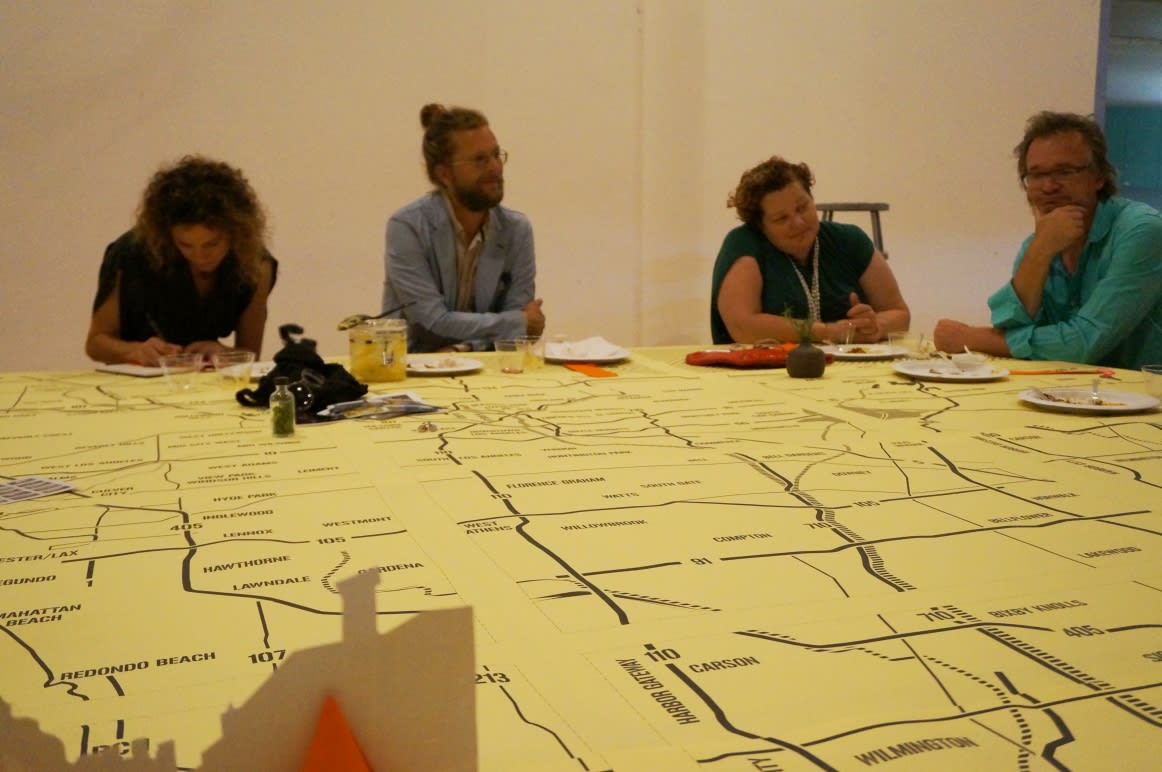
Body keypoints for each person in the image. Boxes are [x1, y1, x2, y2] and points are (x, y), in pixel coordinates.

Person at [934, 111, 1162, 369]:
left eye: (1064, 172)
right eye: (1036, 175)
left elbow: (1083, 344)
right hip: (1074, 394)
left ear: (1099, 177)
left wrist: (973, 338)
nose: (1048, 187)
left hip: (1147, 397)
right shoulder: (1042, 241)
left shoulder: (1142, 231)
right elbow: (1011, 328)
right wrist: (1040, 250)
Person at [86, 156, 278, 366]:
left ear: (236, 232)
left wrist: (223, 352)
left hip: (204, 384)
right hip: (137, 382)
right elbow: (96, 343)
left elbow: (250, 354)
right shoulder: (132, 254)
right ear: (167, 237)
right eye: (185, 245)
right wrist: (135, 351)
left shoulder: (255, 265)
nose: (200, 256)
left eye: (212, 244)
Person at [382, 103, 544, 353]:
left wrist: (462, 349)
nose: (495, 167)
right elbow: (434, 320)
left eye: (496, 154)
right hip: (411, 371)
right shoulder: (407, 227)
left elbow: (516, 337)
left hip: (485, 369)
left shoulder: (516, 230)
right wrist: (516, 322)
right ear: (444, 174)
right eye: (480, 159)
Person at [711, 156, 909, 345]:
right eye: (781, 219)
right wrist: (829, 332)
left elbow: (900, 314)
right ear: (760, 226)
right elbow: (743, 326)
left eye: (802, 207)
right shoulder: (744, 244)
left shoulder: (850, 240)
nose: (798, 223)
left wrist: (875, 326)